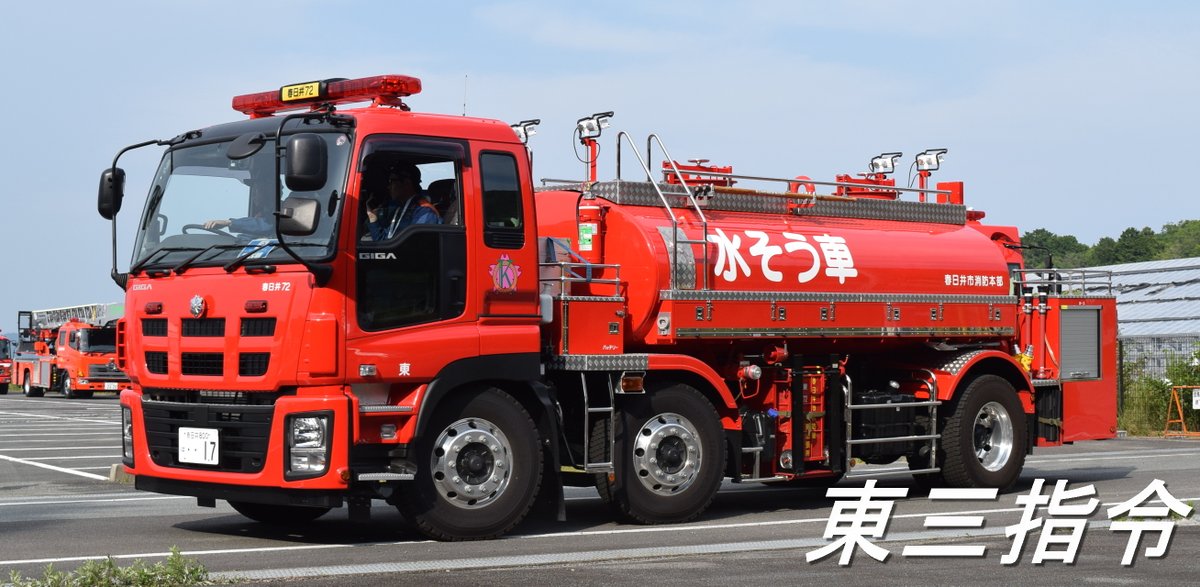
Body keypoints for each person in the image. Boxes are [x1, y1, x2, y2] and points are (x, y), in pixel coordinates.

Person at [365, 163, 441, 241]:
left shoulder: (424, 212)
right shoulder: (400, 209)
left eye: (392, 181)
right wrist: (372, 217)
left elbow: (416, 248)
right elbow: (382, 240)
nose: (388, 187)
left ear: (407, 183)